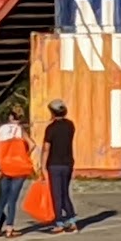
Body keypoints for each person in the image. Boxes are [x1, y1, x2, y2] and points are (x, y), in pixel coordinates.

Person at [0, 105, 35, 238]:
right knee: (12, 200)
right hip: (20, 167)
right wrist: (25, 155)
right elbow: (32, 144)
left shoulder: (2, 129)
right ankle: (10, 228)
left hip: (5, 166)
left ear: (10, 116)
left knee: (1, 200)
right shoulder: (20, 130)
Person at [41, 98, 77, 234]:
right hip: (67, 163)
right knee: (64, 193)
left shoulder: (51, 128)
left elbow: (46, 148)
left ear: (52, 112)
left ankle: (59, 222)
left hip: (54, 164)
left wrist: (43, 166)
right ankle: (72, 220)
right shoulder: (70, 125)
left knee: (56, 195)